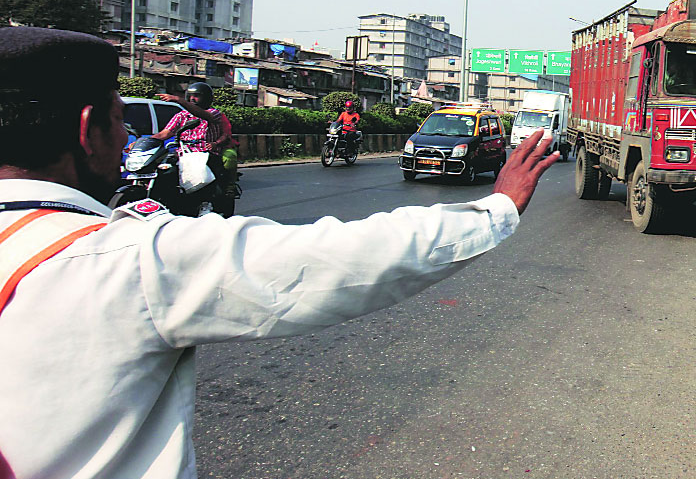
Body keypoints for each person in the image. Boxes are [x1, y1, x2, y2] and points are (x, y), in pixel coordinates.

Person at [0, 27, 556, 479]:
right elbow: (338, 257)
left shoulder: (275, 122)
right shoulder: (129, 259)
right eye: (120, 120)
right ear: (88, 130)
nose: (125, 139)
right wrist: (497, 209)